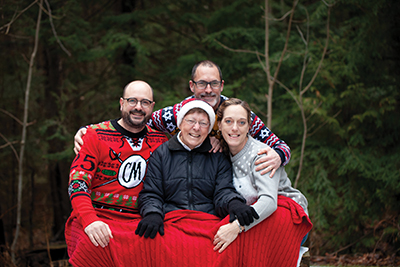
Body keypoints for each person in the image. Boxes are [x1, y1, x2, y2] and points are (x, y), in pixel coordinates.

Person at [73, 60, 290, 177]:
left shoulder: (236, 113)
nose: (208, 90)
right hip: (192, 178)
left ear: (221, 85)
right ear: (191, 86)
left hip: (236, 178)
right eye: (201, 84)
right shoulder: (177, 113)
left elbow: (279, 144)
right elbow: (136, 118)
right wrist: (89, 131)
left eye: (214, 83)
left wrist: (279, 156)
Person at [64, 81, 168, 265]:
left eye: (145, 102)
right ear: (121, 103)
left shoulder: (159, 140)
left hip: (139, 220)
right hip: (98, 216)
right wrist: (89, 220)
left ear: (152, 107)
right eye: (132, 101)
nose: (138, 107)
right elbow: (77, 183)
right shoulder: (95, 135)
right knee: (92, 246)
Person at [134, 98, 259, 239]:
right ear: (180, 124)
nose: (196, 127)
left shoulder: (216, 155)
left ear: (209, 128)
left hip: (208, 221)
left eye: (203, 123)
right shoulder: (162, 154)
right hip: (171, 221)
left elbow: (223, 191)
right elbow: (151, 193)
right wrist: (153, 213)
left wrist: (234, 203)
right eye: (191, 121)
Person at [212, 98, 311, 266]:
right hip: (256, 214)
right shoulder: (224, 153)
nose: (235, 128)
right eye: (228, 121)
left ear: (250, 127)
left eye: (241, 122)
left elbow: (269, 202)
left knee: (235, 237)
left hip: (285, 214)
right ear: (219, 125)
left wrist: (236, 227)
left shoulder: (261, 155)